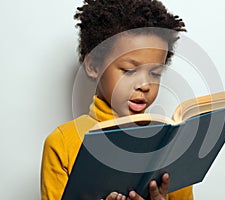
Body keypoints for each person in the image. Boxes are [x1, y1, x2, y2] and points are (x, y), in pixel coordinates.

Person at [40, 0, 194, 199]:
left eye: (155, 73)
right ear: (94, 66)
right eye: (130, 71)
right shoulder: (62, 144)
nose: (145, 85)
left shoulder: (170, 145)